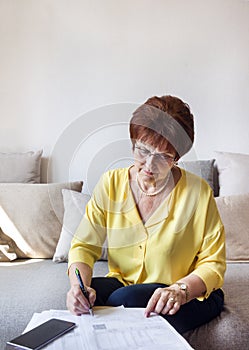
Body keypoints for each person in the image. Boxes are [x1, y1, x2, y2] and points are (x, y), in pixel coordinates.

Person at [66, 95, 226, 334]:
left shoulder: (198, 193)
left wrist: (180, 290)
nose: (150, 165)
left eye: (163, 156)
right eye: (143, 150)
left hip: (183, 294)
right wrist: (78, 288)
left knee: (127, 299)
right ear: (133, 144)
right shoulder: (111, 184)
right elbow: (84, 245)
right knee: (91, 297)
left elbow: (213, 263)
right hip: (125, 285)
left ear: (177, 159)